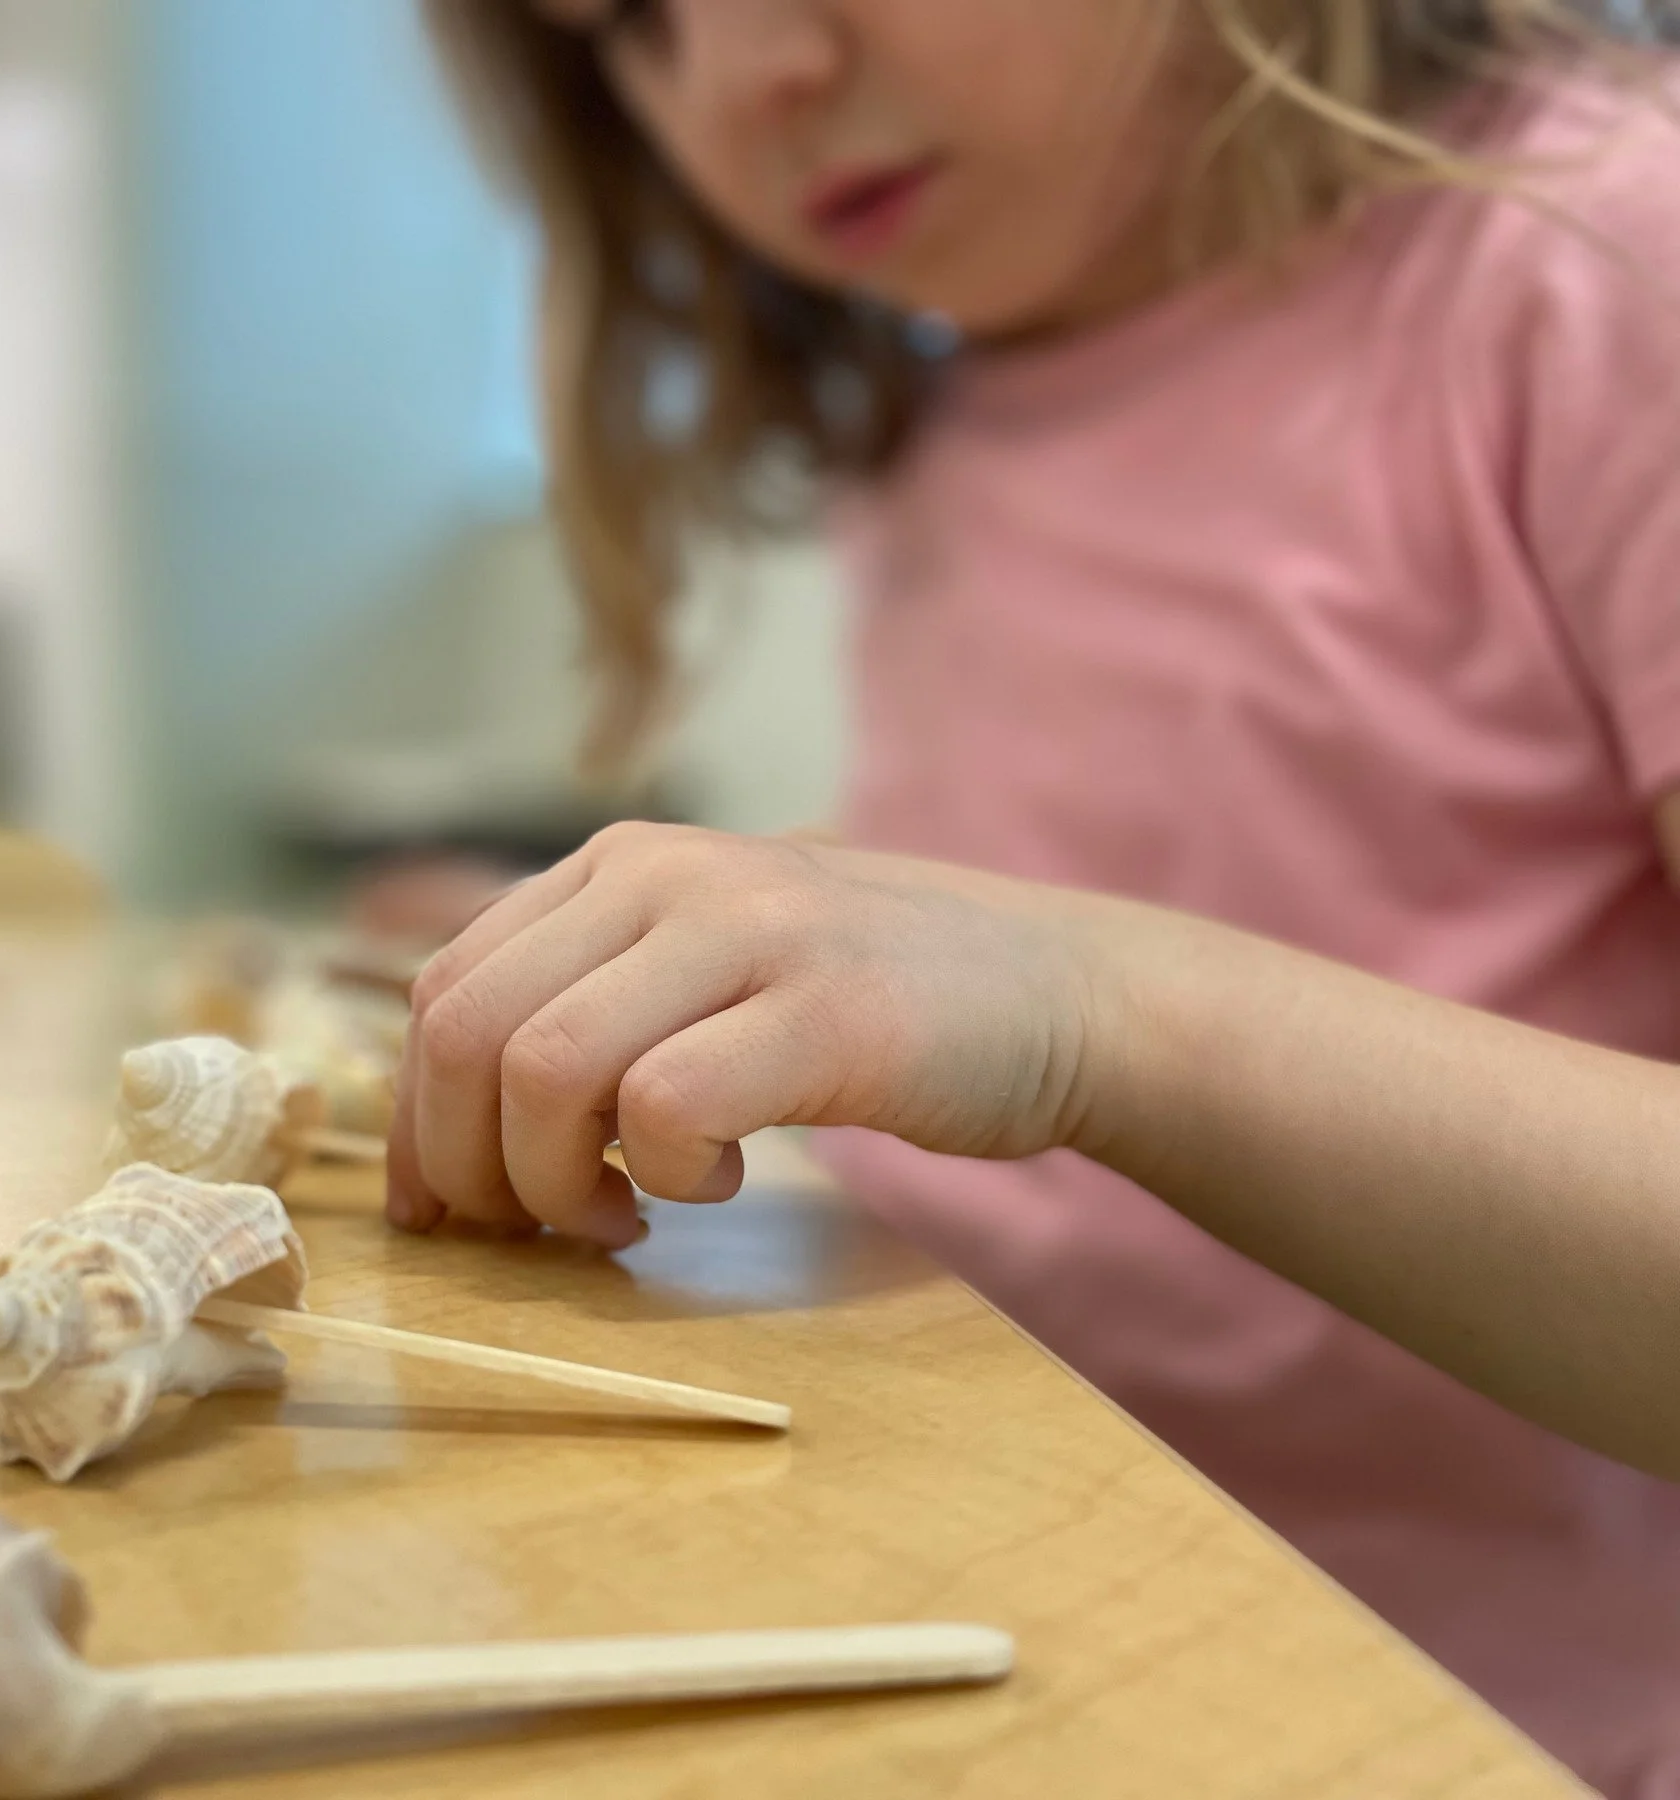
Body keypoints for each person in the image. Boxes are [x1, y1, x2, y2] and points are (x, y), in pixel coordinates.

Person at [397, 3, 1680, 1792]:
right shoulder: (960, 382)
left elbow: (1075, 969)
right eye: (625, 21)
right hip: (1002, 1661)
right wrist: (669, 968)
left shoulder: (1610, 254)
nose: (744, 77)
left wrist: (1092, 1009)